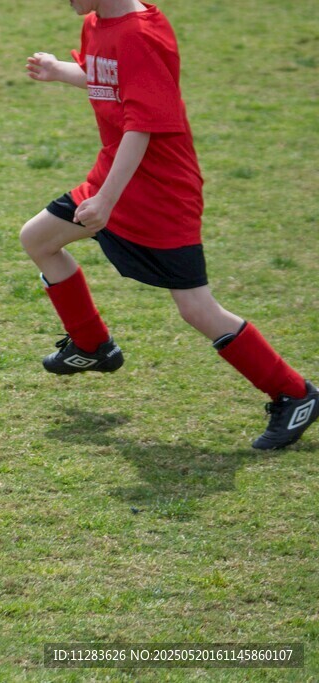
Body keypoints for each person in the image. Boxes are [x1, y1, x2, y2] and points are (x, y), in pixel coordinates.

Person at [20, 0, 316, 449]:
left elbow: (142, 127)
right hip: (116, 175)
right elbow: (108, 80)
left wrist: (106, 200)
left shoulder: (139, 34)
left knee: (196, 308)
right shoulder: (98, 22)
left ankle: (294, 392)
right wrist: (62, 70)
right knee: (38, 238)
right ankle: (93, 345)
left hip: (160, 192)